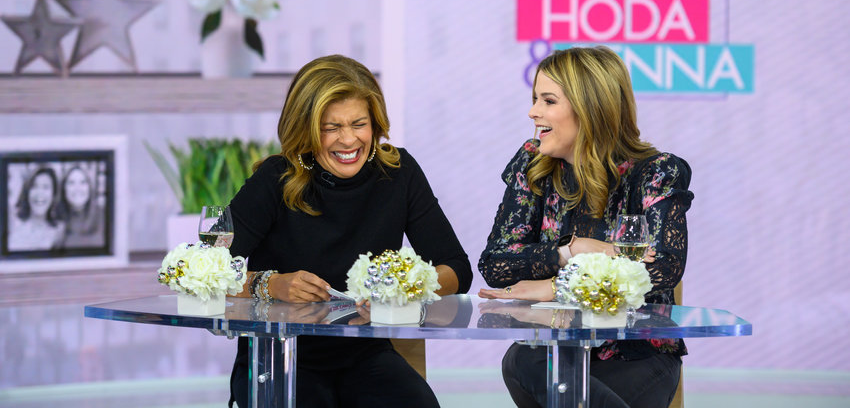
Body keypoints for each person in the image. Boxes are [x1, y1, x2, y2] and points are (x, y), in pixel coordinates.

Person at [227, 54, 473, 408]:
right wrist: (269, 283)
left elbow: (456, 268)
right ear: (307, 130)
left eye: (359, 124)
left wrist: (408, 286)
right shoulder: (274, 177)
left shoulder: (399, 172)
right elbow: (202, 268)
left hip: (365, 354)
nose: (348, 141)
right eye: (331, 128)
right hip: (281, 354)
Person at [478, 46, 693, 408]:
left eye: (548, 100)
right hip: (552, 352)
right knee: (522, 360)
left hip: (635, 355)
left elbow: (662, 269)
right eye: (535, 99)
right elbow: (497, 265)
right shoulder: (533, 163)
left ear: (591, 107)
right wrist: (572, 249)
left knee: (551, 381)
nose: (533, 112)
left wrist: (555, 285)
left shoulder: (656, 172)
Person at [8, 166, 64, 251]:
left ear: (53, 195)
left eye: (46, 187)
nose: (39, 193)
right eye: (34, 186)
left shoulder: (58, 232)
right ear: (27, 192)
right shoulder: (12, 221)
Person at [55, 165, 106, 249]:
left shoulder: (105, 215)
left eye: (83, 182)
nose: (77, 188)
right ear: (64, 189)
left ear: (89, 188)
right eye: (71, 183)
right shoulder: (55, 217)